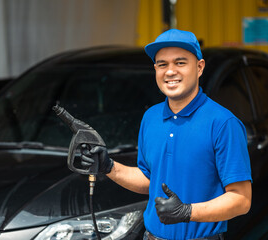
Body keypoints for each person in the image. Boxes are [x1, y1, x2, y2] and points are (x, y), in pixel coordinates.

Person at [81, 29, 252, 240]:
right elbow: (149, 179)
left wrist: (188, 212)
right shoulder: (151, 118)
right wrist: (108, 166)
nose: (170, 72)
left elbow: (241, 200)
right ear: (155, 69)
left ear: (199, 67)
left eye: (180, 63)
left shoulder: (223, 123)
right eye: (162, 64)